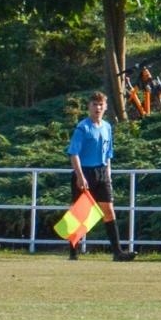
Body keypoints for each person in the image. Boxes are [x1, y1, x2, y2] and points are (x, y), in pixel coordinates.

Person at [64, 91, 135, 261]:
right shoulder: (83, 127)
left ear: (105, 107)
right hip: (85, 172)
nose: (98, 108)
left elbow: (108, 153)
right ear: (89, 107)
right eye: (94, 104)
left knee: (109, 210)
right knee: (79, 213)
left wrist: (108, 174)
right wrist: (80, 176)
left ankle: (118, 252)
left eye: (101, 104)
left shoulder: (107, 127)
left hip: (102, 173)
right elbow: (74, 153)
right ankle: (73, 252)